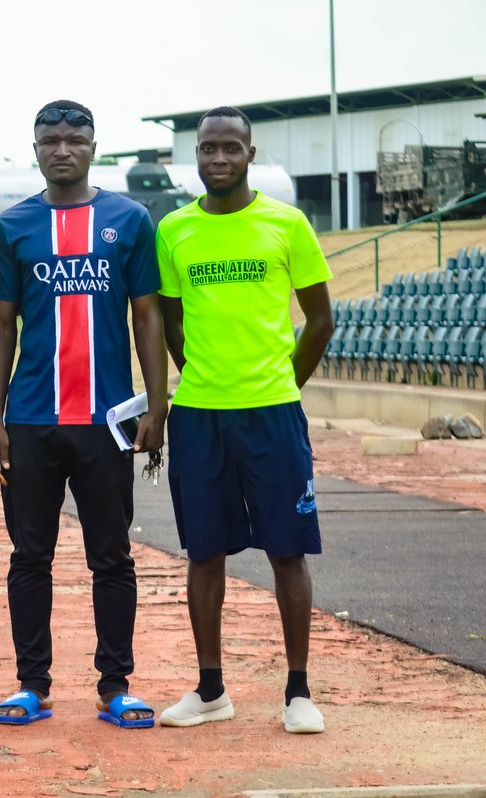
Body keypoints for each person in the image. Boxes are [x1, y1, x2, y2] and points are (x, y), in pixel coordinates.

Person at [0, 100, 167, 728]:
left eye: (74, 139)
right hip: (32, 421)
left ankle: (116, 685)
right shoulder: (13, 225)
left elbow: (148, 314)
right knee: (28, 556)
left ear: (93, 145)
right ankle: (32, 684)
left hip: (108, 420)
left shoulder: (130, 220)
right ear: (34, 148)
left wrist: (157, 403)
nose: (62, 149)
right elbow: (1, 324)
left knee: (111, 557)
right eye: (49, 140)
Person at [155, 106, 334, 734]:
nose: (219, 159)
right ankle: (210, 691)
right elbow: (171, 321)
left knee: (288, 551)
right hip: (200, 415)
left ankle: (298, 694)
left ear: (250, 154)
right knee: (204, 552)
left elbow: (320, 319)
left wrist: (285, 382)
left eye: (232, 148)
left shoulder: (286, 224)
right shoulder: (173, 230)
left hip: (272, 415)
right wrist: (198, 371)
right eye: (209, 149)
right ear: (197, 157)